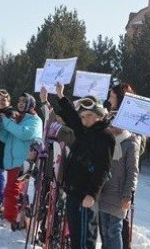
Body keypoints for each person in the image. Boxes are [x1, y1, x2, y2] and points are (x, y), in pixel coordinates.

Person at [54, 83, 115, 249]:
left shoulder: (105, 136)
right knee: (75, 238)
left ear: (99, 115)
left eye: (89, 115)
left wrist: (92, 194)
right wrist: (61, 96)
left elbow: (103, 168)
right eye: (83, 116)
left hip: (86, 195)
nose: (85, 120)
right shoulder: (85, 130)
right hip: (74, 191)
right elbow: (72, 117)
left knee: (84, 240)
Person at [0, 92, 42, 230]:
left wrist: (6, 121)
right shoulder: (18, 118)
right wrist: (0, 125)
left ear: (31, 103)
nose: (21, 103)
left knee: (11, 190)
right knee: (12, 191)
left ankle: (12, 218)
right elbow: (6, 138)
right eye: (19, 101)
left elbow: (24, 133)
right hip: (12, 160)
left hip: (23, 162)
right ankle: (15, 217)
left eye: (24, 101)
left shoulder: (35, 119)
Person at [97, 125, 141, 249]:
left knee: (114, 231)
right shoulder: (107, 140)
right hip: (104, 192)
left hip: (119, 195)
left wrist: (128, 195)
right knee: (105, 232)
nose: (111, 125)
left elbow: (133, 171)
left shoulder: (131, 143)